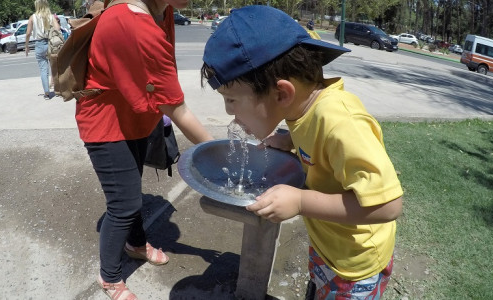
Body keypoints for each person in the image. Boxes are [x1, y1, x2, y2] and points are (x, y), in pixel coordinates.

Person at [201, 5, 403, 299]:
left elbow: (388, 206)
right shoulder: (302, 111)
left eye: (231, 100)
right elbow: (323, 150)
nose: (229, 113)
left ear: (281, 93)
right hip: (328, 245)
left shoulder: (340, 122)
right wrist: (290, 141)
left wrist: (299, 200)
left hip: (354, 266)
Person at [75, 0, 213, 299]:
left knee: (132, 191)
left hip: (133, 119)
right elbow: (177, 107)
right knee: (122, 206)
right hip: (106, 124)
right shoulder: (132, 23)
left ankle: (135, 244)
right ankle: (109, 277)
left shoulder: (161, 10)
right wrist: (218, 153)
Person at [25, 0, 60, 100]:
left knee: (43, 70)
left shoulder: (33, 17)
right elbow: (57, 29)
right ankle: (58, 90)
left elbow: (28, 33)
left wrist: (26, 46)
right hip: (50, 43)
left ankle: (47, 94)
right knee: (54, 68)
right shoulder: (50, 16)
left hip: (39, 44)